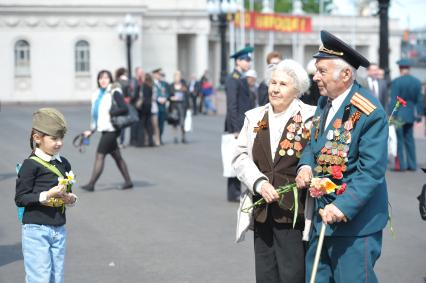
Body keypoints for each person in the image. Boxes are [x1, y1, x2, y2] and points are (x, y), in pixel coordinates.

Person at [296, 30, 389, 283]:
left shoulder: (369, 113)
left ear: (346, 74)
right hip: (321, 219)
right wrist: (305, 167)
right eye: (316, 70)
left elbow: (371, 171)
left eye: (322, 71)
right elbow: (313, 147)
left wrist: (341, 206)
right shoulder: (324, 104)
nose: (315, 77)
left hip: (354, 225)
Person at [233, 59, 315, 283]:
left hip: (292, 212)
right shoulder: (256, 118)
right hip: (262, 210)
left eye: (283, 84)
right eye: (273, 83)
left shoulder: (310, 118)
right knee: (266, 273)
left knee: (292, 273)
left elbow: (317, 156)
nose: (275, 89)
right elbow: (240, 156)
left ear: (297, 90)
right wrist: (258, 182)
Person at [15, 108, 77, 282]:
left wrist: (70, 198)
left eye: (61, 138)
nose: (59, 143)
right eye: (54, 138)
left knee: (56, 278)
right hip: (36, 229)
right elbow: (20, 198)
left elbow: (70, 194)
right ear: (37, 138)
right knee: (39, 278)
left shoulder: (63, 162)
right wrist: (47, 195)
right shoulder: (30, 165)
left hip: (58, 228)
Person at [81, 70, 133, 191]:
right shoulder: (97, 94)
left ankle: (91, 184)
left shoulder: (114, 91)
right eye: (101, 78)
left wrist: (112, 112)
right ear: (98, 80)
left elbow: (124, 108)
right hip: (104, 129)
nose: (103, 80)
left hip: (112, 129)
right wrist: (91, 130)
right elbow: (96, 115)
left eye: (106, 78)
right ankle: (128, 181)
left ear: (110, 80)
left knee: (100, 155)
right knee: (117, 156)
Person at [225, 46, 256, 202]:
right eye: (246, 60)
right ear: (238, 61)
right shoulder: (233, 79)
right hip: (235, 126)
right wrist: (236, 128)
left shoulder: (241, 78)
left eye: (249, 60)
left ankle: (236, 190)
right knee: (234, 158)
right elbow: (232, 105)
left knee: (241, 157)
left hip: (242, 123)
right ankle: (233, 192)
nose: (248, 63)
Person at [389, 59, 424, 171]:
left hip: (398, 114)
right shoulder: (417, 82)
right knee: (409, 139)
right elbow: (420, 100)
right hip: (410, 114)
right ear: (409, 68)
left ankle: (401, 165)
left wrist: (391, 115)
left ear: (400, 69)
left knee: (399, 140)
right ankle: (412, 164)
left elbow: (394, 100)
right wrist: (419, 115)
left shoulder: (396, 82)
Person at [169, 70, 190, 143]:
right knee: (174, 122)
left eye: (179, 76)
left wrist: (188, 106)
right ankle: (175, 137)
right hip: (174, 106)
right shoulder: (171, 85)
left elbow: (187, 95)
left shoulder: (184, 85)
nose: (178, 77)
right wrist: (172, 98)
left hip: (182, 105)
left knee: (182, 122)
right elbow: (169, 95)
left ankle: (183, 137)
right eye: (177, 76)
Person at [152, 68, 170, 144]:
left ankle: (160, 138)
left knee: (161, 124)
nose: (160, 76)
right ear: (154, 75)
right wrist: (157, 99)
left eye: (161, 74)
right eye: (159, 74)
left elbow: (168, 92)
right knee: (155, 124)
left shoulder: (164, 83)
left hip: (163, 106)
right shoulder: (152, 83)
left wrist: (165, 98)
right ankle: (156, 138)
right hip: (155, 106)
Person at [129, 67, 145, 146]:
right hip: (134, 104)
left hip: (141, 104)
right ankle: (133, 139)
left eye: (142, 72)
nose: (142, 74)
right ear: (137, 73)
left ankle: (138, 139)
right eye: (140, 72)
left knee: (138, 122)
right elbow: (132, 93)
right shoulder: (133, 81)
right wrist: (135, 101)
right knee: (134, 122)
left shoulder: (142, 81)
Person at [115, 67, 131, 147]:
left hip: (117, 104)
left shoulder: (116, 82)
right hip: (124, 103)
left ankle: (118, 140)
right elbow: (129, 92)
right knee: (123, 123)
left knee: (118, 123)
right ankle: (121, 141)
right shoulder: (126, 82)